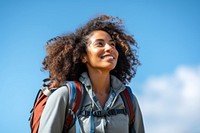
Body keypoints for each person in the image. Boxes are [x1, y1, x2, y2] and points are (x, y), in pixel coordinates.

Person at [38, 14, 145, 133]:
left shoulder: (129, 100)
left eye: (112, 44)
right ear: (83, 56)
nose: (109, 48)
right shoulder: (65, 96)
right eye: (100, 43)